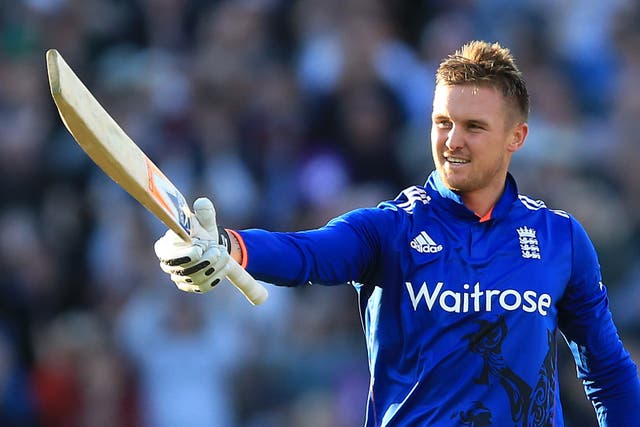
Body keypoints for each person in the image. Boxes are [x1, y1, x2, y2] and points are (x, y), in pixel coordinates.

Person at [154, 41, 640, 426]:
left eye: (474, 126)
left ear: (517, 137)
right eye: (442, 122)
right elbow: (307, 253)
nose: (452, 141)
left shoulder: (561, 239)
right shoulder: (390, 228)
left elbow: (608, 372)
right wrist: (230, 248)